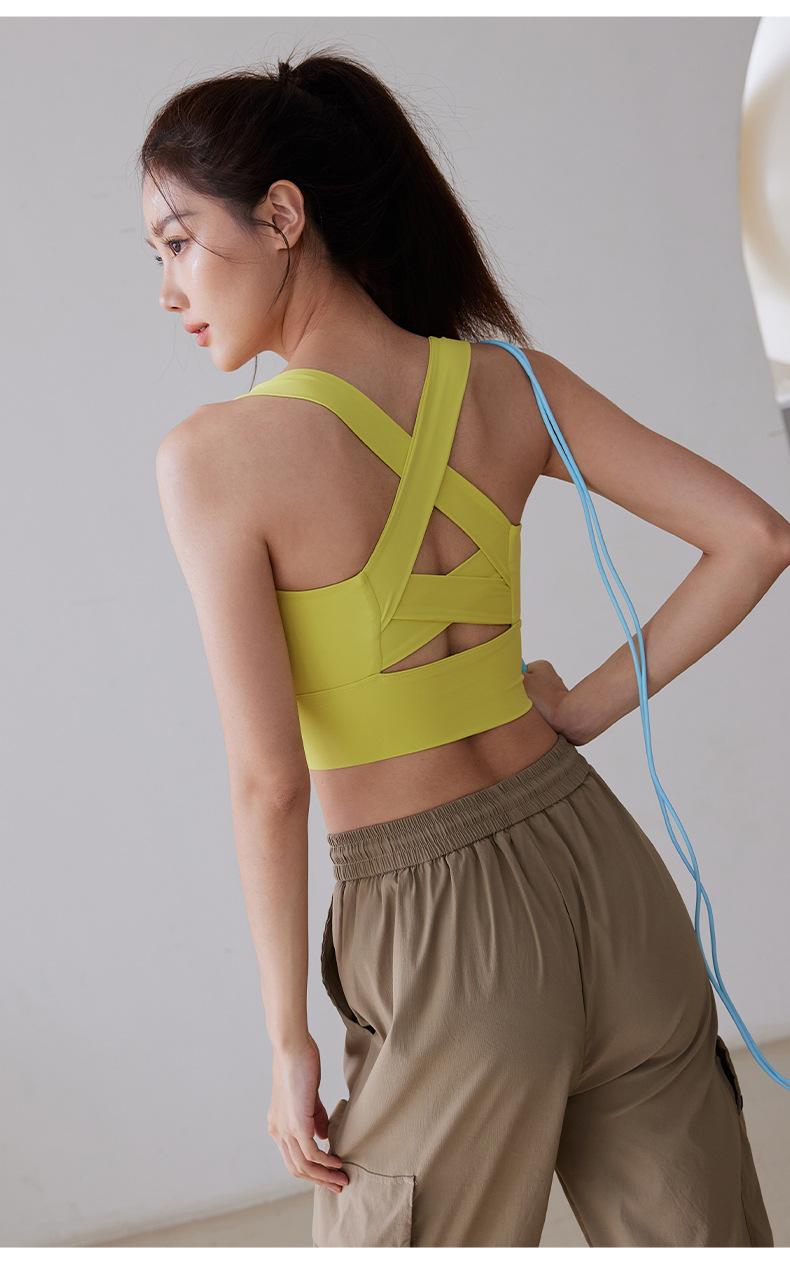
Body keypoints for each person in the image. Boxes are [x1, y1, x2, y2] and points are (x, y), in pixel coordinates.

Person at [141, 45, 786, 1247]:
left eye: (180, 242)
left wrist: (286, 1040)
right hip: (605, 875)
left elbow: (269, 780)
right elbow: (753, 538)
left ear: (281, 216)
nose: (171, 287)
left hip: (439, 927)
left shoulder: (214, 460)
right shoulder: (508, 383)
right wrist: (581, 710)